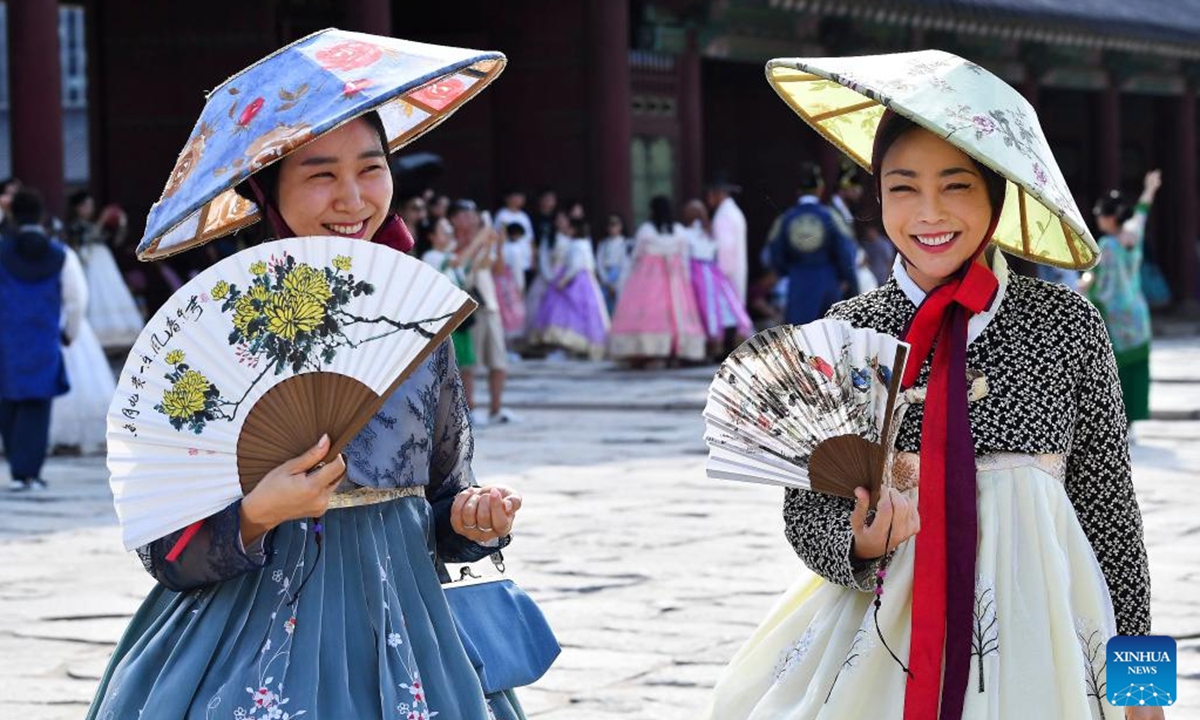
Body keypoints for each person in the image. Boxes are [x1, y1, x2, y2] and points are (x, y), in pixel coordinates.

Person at [705, 52, 1155, 720]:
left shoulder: (1066, 324)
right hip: (884, 637)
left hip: (1048, 638)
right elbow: (807, 515)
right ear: (877, 195)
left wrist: (1145, 685)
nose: (929, 213)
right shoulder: (849, 331)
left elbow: (1112, 513)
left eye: (957, 186)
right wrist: (861, 539)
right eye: (904, 187)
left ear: (996, 195)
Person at [88, 52, 528, 718]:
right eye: (321, 175)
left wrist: (473, 518)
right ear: (265, 192)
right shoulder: (217, 334)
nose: (353, 199)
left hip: (407, 627)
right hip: (246, 632)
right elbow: (168, 551)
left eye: (371, 169)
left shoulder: (414, 320)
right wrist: (258, 512)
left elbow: (441, 496)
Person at [1, 189, 85, 489]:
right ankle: (30, 473)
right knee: (37, 408)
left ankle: (16, 468)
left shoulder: (2, 251)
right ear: (41, 217)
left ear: (13, 215)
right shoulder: (61, 255)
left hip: (6, 341)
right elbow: (76, 300)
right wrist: (69, 333)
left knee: (8, 405)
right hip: (43, 339)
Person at [1085, 171, 1162, 433]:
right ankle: (1132, 423)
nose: (1097, 219)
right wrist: (1149, 188)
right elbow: (1142, 212)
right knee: (1137, 369)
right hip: (1137, 315)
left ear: (1109, 217)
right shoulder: (1134, 236)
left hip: (1113, 318)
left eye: (1099, 214)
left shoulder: (1106, 245)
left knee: (1114, 372)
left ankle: (1117, 422)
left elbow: (1093, 278)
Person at [608, 195, 705, 364]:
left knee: (649, 314)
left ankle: (650, 351)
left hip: (649, 278)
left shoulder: (646, 230)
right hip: (675, 279)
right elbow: (684, 256)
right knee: (676, 314)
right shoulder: (679, 231)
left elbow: (637, 254)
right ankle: (676, 350)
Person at [449, 199, 517, 426]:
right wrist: (480, 239)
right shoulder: (450, 243)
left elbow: (495, 269)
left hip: (489, 304)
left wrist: (496, 246)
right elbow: (461, 263)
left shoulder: (483, 242)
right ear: (454, 219)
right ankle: (470, 407)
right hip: (468, 307)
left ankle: (496, 408)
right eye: (465, 215)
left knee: (498, 361)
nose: (471, 219)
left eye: (473, 215)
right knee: (469, 363)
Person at [766, 161, 859, 325]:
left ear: (798, 192)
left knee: (800, 338)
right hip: (828, 284)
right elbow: (845, 254)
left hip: (798, 282)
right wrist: (851, 283)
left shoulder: (786, 218)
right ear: (820, 190)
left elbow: (775, 255)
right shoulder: (831, 217)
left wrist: (791, 270)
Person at [531, 216, 610, 359]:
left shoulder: (576, 245)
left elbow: (576, 266)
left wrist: (564, 280)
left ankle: (571, 347)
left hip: (576, 282)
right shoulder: (583, 243)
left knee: (570, 312)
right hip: (584, 281)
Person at [682, 198, 752, 357]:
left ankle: (716, 345)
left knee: (710, 310)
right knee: (721, 309)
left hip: (702, 275)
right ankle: (719, 344)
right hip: (711, 275)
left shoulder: (692, 233)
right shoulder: (707, 232)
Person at [707, 174, 749, 305]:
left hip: (726, 280)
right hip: (733, 275)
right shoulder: (732, 212)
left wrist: (718, 277)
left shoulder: (724, 216)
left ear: (718, 194)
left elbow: (725, 252)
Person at [497, 222, 530, 342]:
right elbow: (517, 271)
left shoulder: (502, 247)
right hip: (510, 284)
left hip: (499, 283)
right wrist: (521, 287)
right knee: (512, 313)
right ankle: (509, 346)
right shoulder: (515, 249)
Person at [595, 213, 633, 314]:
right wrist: (606, 282)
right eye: (610, 224)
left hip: (621, 279)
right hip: (606, 278)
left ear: (621, 226)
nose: (612, 227)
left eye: (615, 224)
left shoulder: (627, 243)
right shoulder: (602, 243)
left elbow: (626, 265)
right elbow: (599, 263)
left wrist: (616, 285)